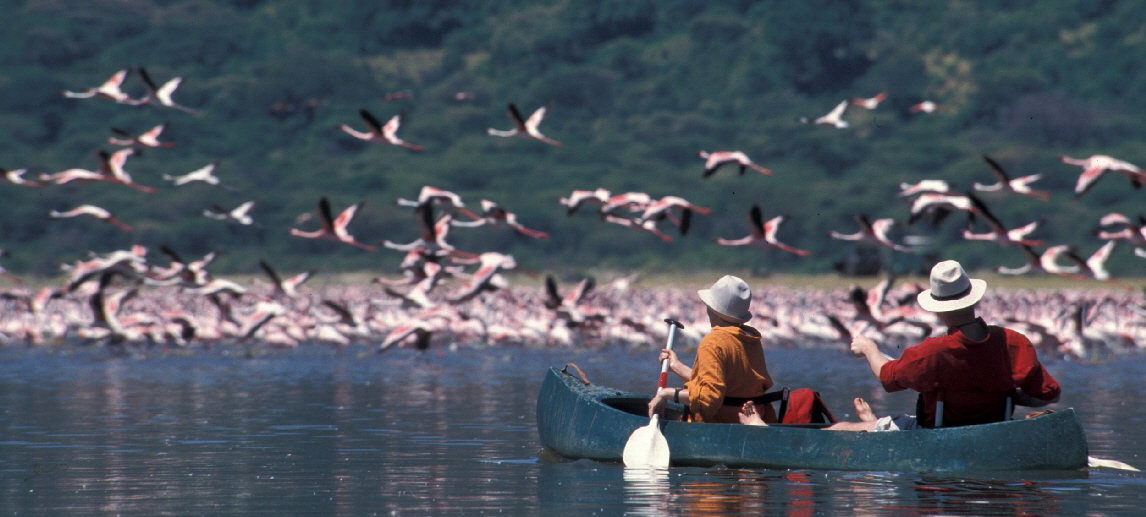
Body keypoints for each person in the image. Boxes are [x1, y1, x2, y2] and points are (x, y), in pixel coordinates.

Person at [750, 260, 1060, 431]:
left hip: (936, 434)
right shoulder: (1015, 342)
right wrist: (997, 394)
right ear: (974, 297)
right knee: (887, 423)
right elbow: (1047, 394)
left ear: (937, 308)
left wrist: (869, 349)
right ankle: (877, 423)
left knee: (846, 430)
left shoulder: (933, 351)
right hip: (995, 433)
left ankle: (866, 426)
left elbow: (888, 377)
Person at [647, 275, 777, 424]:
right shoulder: (751, 340)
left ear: (714, 311)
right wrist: (676, 366)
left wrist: (666, 394)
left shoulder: (713, 343)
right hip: (747, 420)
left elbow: (708, 399)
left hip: (720, 423)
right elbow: (722, 386)